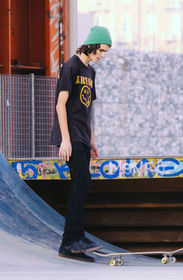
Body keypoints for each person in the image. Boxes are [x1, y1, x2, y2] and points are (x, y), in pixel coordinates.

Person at [50, 26, 112, 262]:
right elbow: (60, 104)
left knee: (82, 183)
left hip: (83, 135)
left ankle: (74, 240)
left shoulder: (90, 72)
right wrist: (65, 138)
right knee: (82, 182)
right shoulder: (70, 66)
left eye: (105, 52)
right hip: (71, 136)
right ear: (92, 44)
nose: (102, 55)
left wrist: (93, 141)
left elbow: (87, 108)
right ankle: (70, 241)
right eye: (101, 50)